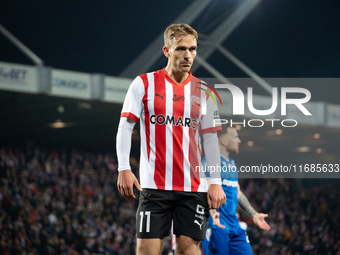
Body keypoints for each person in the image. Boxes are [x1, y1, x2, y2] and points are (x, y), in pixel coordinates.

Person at [116, 23, 226, 255]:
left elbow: (211, 140)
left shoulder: (205, 91)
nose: (188, 55)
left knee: (189, 251)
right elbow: (126, 127)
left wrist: (215, 181)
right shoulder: (143, 83)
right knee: (146, 252)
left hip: (193, 189)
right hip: (154, 188)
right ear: (166, 50)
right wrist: (124, 167)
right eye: (181, 49)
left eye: (193, 49)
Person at [201, 126, 271, 255]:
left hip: (234, 225)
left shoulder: (231, 164)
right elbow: (206, 191)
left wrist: (254, 214)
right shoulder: (209, 162)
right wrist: (212, 216)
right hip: (218, 225)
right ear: (223, 141)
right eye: (235, 137)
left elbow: (237, 192)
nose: (239, 140)